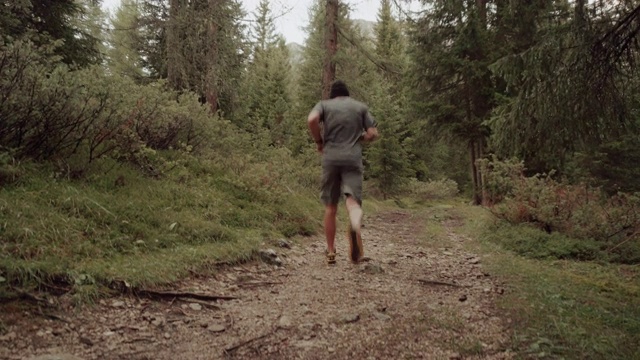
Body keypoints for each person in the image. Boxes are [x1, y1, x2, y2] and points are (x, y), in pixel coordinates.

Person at [307, 80, 379, 264]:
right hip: (352, 159)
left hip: (331, 158)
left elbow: (312, 120)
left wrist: (319, 141)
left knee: (331, 207)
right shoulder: (360, 107)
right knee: (352, 200)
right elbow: (373, 134)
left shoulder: (324, 105)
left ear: (333, 95)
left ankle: (331, 252)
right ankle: (354, 224)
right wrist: (359, 137)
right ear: (347, 94)